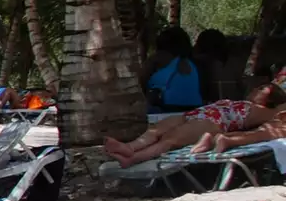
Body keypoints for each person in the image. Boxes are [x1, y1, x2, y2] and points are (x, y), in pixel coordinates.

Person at [105, 83, 286, 164]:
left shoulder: (265, 112)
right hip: (195, 114)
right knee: (156, 129)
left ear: (272, 98)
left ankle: (133, 159)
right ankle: (129, 147)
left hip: (212, 123)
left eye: (263, 89)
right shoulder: (244, 103)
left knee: (170, 139)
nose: (257, 88)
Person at [144, 26, 203, 111]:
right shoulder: (193, 65)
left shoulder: (161, 60)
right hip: (194, 107)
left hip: (167, 108)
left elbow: (142, 81)